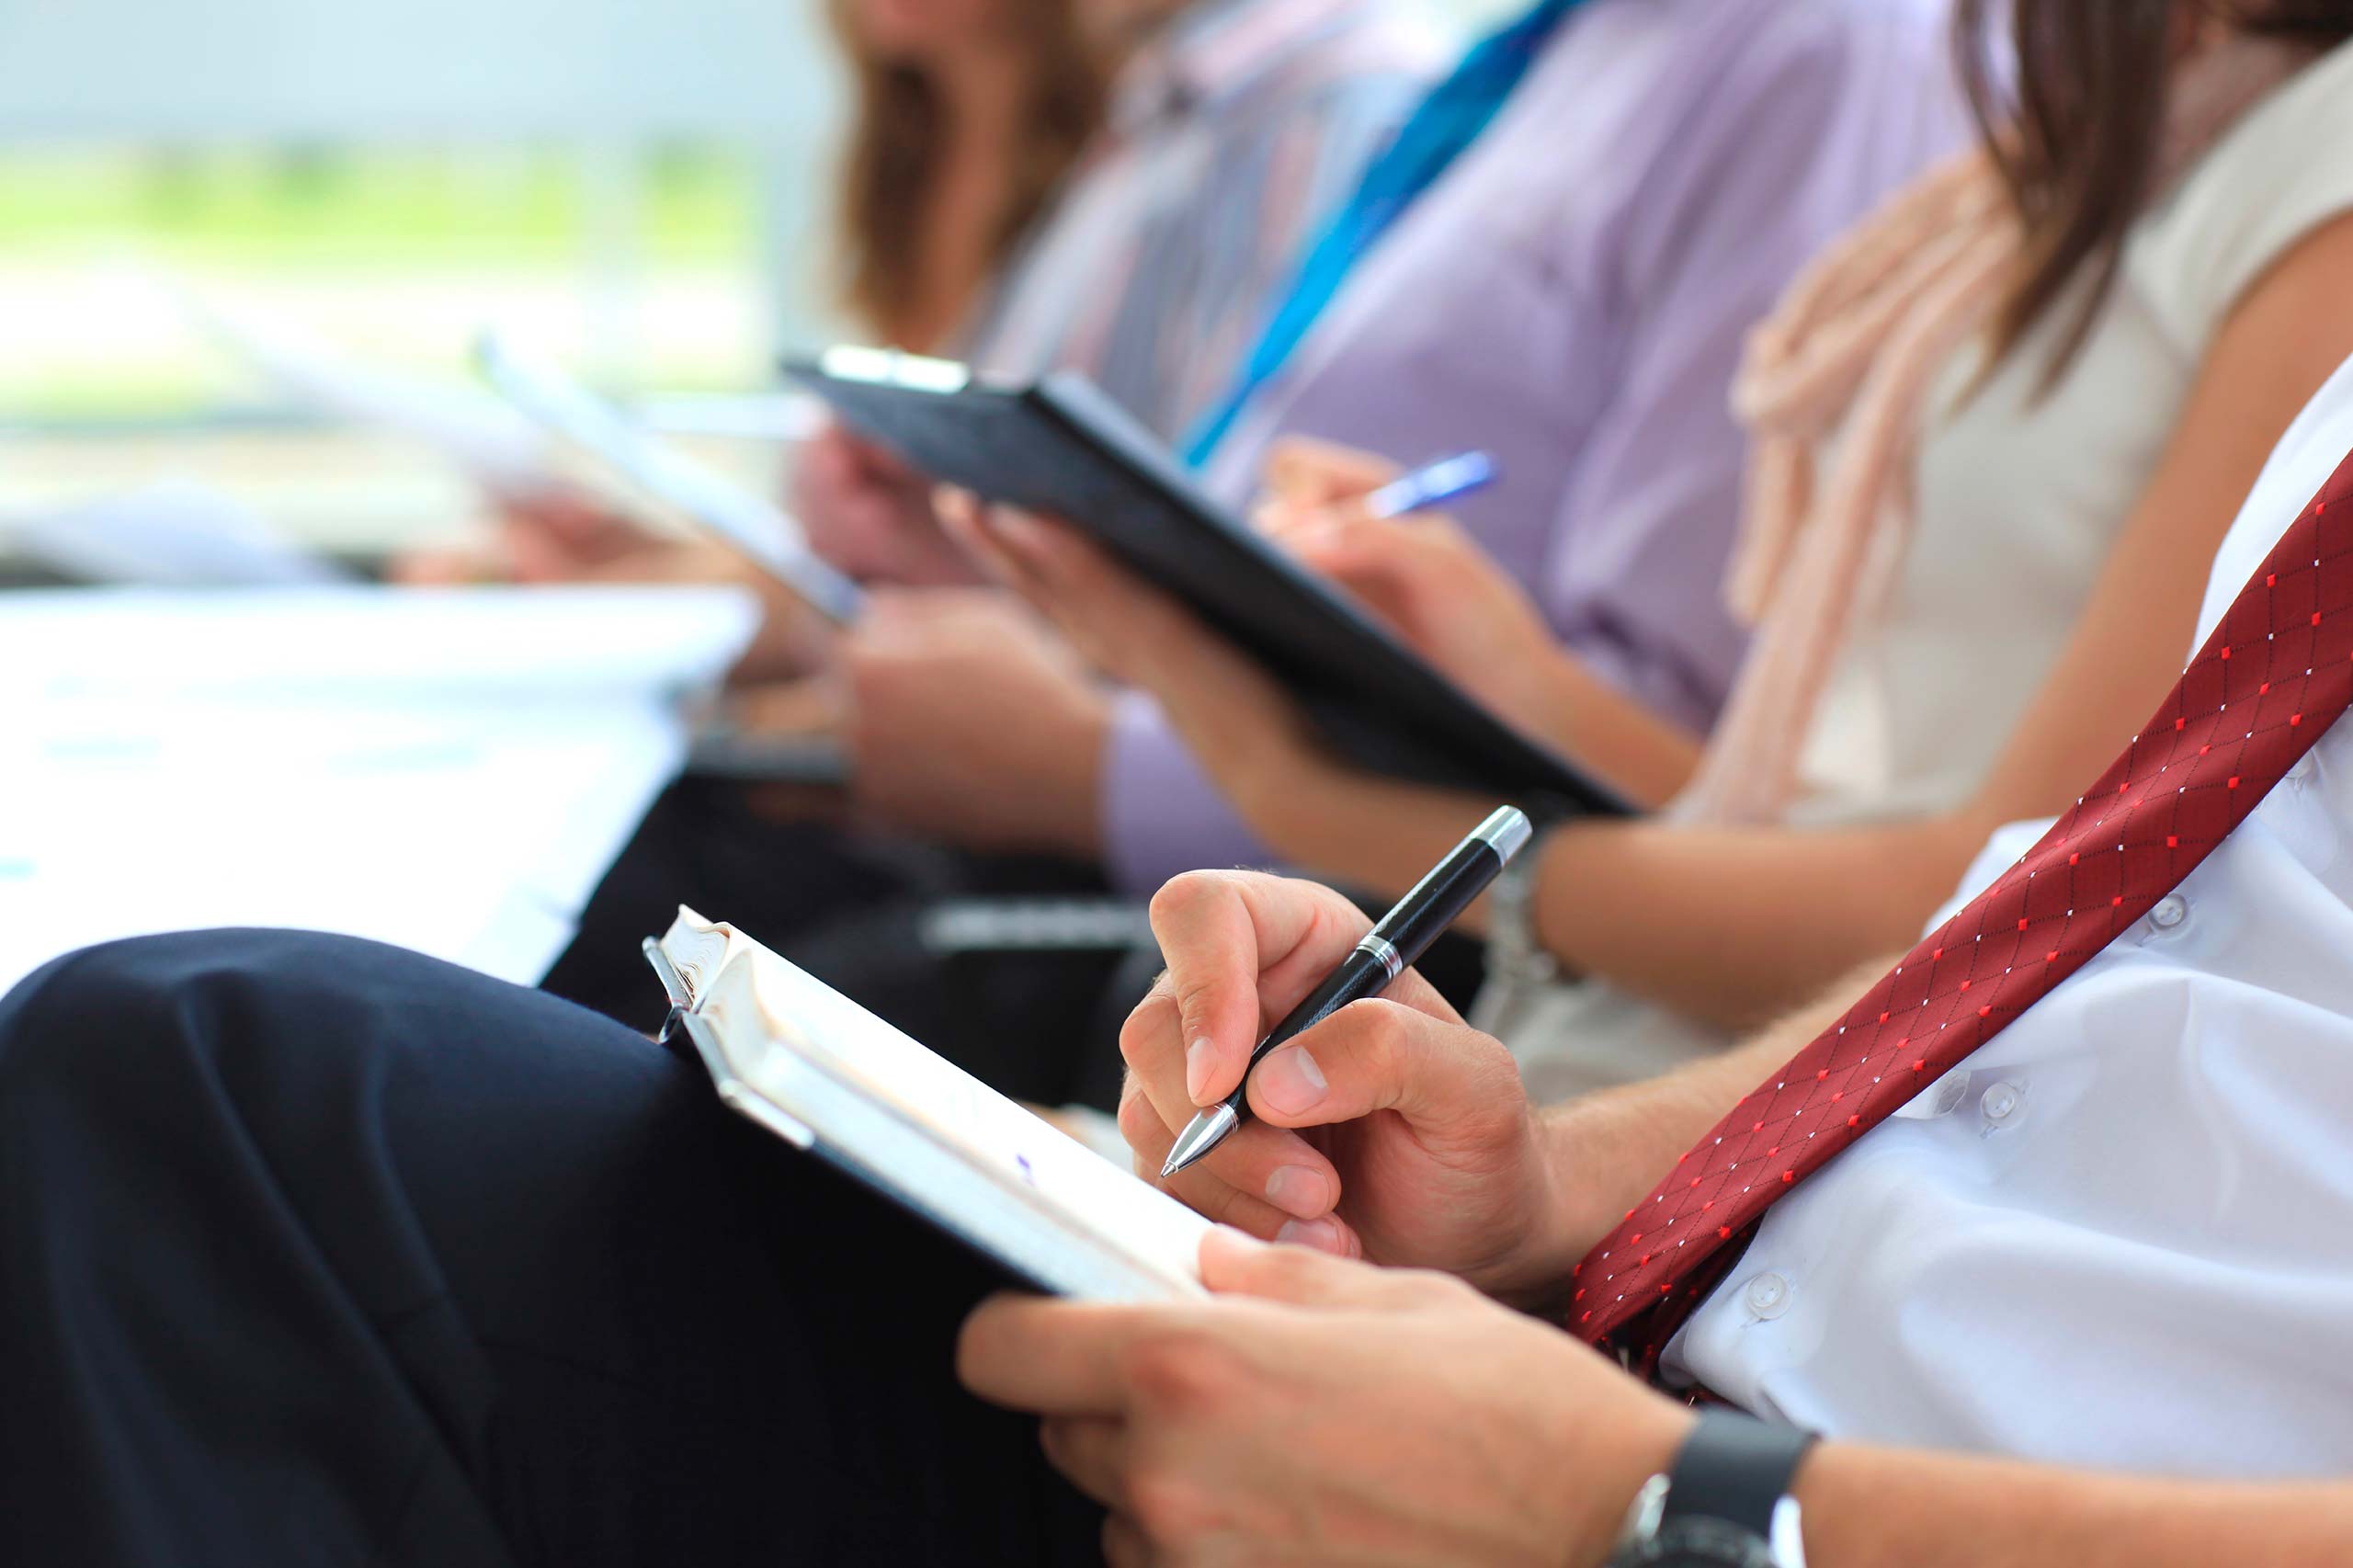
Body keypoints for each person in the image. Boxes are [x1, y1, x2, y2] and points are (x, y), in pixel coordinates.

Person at [6, 350, 2353, 1564]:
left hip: (1764, 1520)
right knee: (220, 1085)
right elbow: (2098, 914)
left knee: (217, 1157)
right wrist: (1540, 1187)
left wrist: (1637, 1511)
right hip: (1622, 1395)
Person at [536, 0, 1967, 1071]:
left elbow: (1700, 763)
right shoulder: (1550, 60)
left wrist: (1093, 769)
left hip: (1379, 929)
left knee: (567, 982)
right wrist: (1024, 565)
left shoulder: (1815, 54)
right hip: (1254, 842)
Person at [966, 0, 2353, 1097]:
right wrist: (1513, 672)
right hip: (1633, 1057)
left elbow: (2003, 903)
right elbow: (1823, 800)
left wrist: (1304, 796)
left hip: (1747, 1126)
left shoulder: (2300, 165)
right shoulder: (2129, 96)